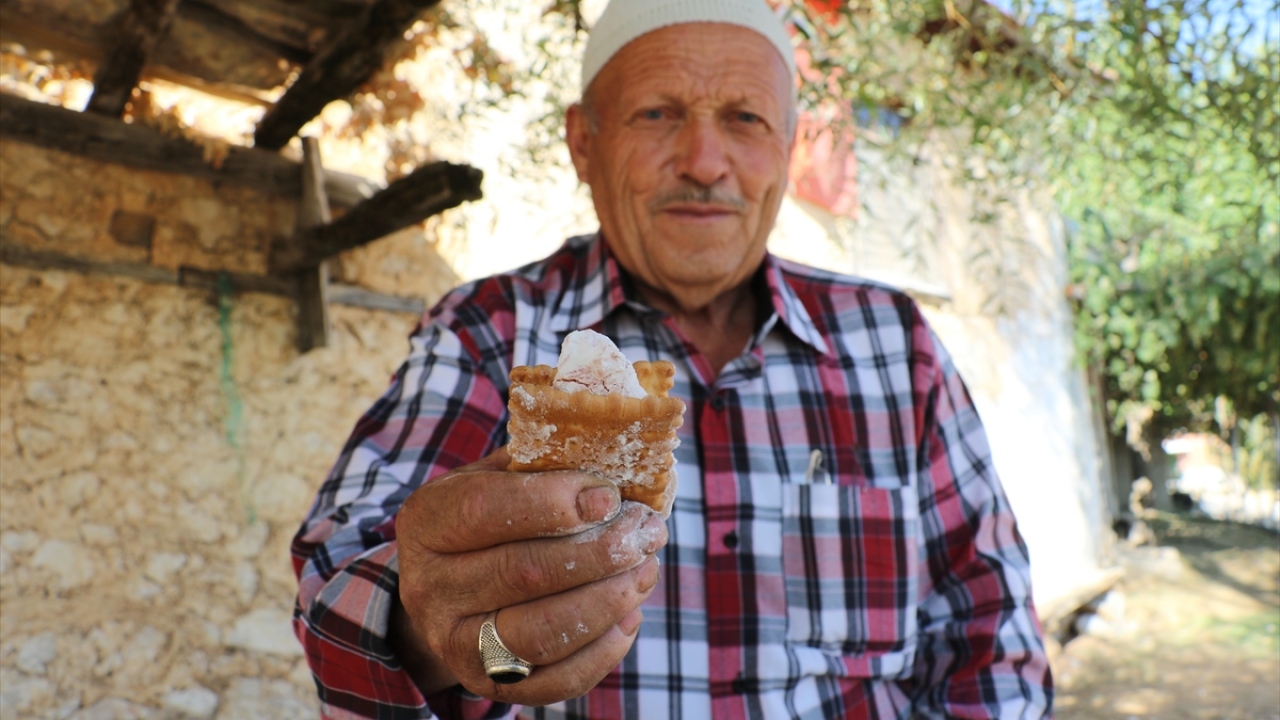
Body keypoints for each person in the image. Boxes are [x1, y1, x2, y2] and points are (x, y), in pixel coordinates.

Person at [291, 0, 1054, 717]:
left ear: (787, 149)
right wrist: (428, 625)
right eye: (657, 114)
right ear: (583, 144)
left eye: (746, 119)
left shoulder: (894, 344)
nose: (705, 162)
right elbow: (338, 582)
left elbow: (991, 637)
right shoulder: (490, 332)